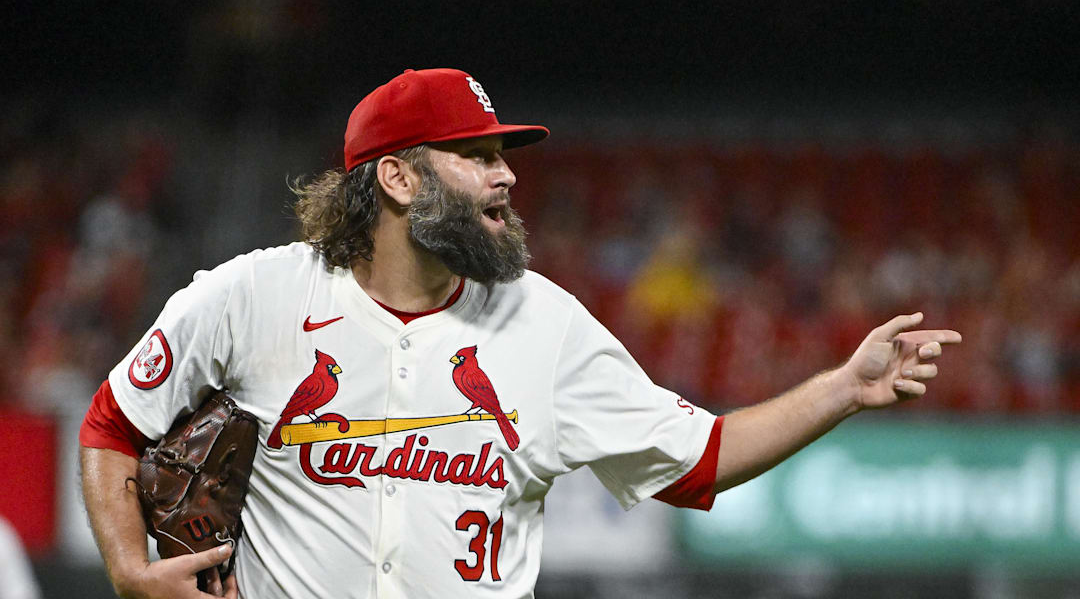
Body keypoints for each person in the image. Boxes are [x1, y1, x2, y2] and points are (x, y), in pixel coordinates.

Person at [79, 68, 961, 599]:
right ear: (397, 178)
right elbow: (112, 426)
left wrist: (846, 388)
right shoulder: (252, 296)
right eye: (479, 155)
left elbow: (701, 458)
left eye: (506, 156)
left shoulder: (546, 324)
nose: (506, 175)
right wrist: (127, 568)